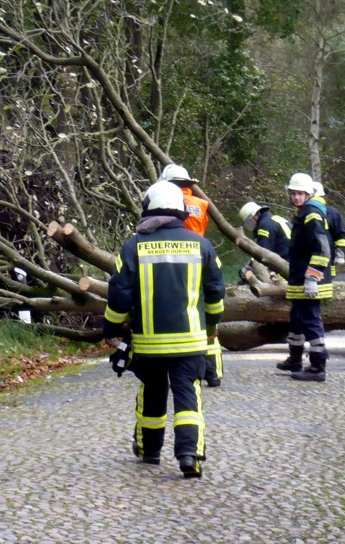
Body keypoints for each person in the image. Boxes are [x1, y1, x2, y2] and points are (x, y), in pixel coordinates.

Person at [104, 180, 225, 478]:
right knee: (187, 397)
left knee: (153, 395)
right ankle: (189, 455)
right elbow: (216, 293)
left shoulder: (134, 245)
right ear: (181, 211)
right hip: (191, 343)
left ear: (149, 208)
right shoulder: (202, 244)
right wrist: (211, 327)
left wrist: (112, 327)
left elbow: (119, 293)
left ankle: (150, 451)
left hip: (149, 345)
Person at [161, 163, 221, 388]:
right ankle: (213, 372)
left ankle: (174, 362)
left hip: (175, 262)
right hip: (201, 258)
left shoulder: (168, 204)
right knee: (207, 317)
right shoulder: (201, 204)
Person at [280, 173, 333, 382]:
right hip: (299, 278)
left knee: (310, 321)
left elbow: (323, 249)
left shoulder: (312, 214)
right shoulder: (302, 213)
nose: (295, 197)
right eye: (293, 193)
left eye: (300, 194)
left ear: (308, 194)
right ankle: (295, 360)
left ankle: (318, 367)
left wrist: (312, 277)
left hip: (309, 280)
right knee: (296, 320)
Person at [237, 201, 291, 284]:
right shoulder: (273, 219)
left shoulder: (264, 225)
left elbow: (262, 254)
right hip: (295, 261)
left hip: (287, 266)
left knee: (259, 270)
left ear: (253, 216)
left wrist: (247, 269)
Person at [312, 182, 345, 277]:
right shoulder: (303, 213)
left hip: (326, 261)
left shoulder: (332, 213)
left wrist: (340, 253)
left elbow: (341, 235)